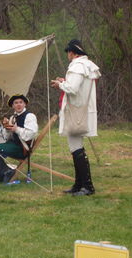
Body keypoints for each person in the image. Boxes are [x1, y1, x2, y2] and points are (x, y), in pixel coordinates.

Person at [51, 39, 101, 196]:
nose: (67, 55)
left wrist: (60, 85)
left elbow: (73, 88)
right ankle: (79, 184)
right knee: (75, 147)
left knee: (76, 147)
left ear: (72, 53)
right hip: (79, 109)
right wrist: (64, 82)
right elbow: (75, 86)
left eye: (68, 52)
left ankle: (87, 186)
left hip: (76, 111)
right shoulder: (84, 66)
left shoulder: (78, 66)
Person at [0, 94, 38, 183]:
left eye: (21, 102)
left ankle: (6, 173)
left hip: (22, 148)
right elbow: (6, 137)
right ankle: (3, 174)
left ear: (24, 104)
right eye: (16, 103)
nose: (18, 105)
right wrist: (6, 127)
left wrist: (16, 129)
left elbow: (31, 134)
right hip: (13, 145)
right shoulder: (13, 117)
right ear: (12, 106)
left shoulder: (29, 116)